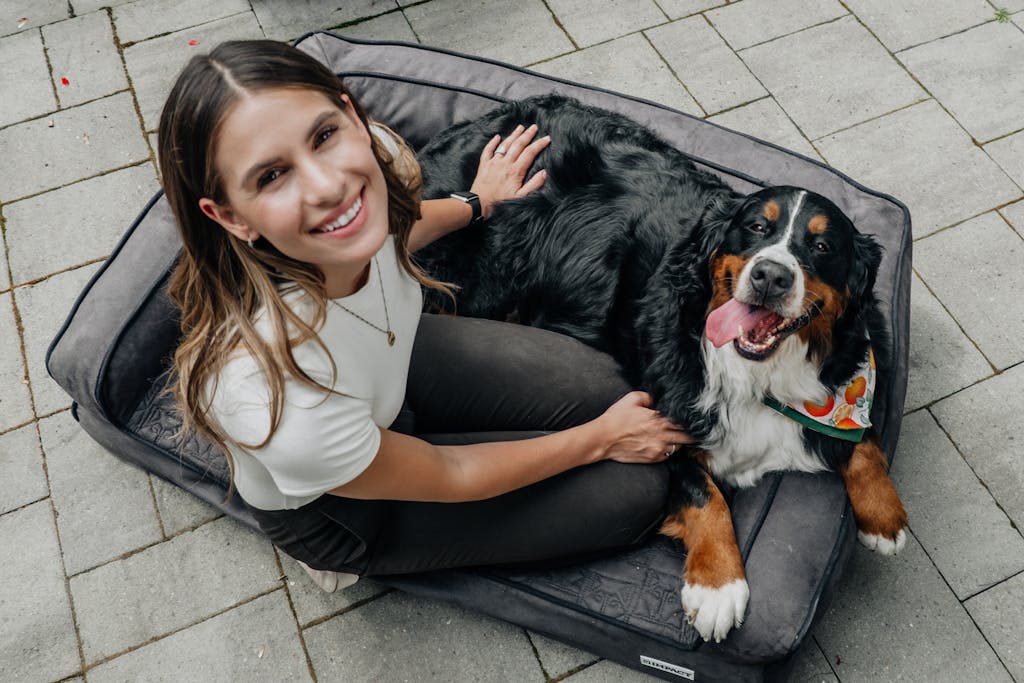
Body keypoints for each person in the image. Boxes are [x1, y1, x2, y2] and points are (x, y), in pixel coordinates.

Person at [158, 39, 690, 591]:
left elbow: (399, 227)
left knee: (604, 383)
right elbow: (451, 474)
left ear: (353, 115)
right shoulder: (275, 397)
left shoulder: (373, 166)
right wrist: (599, 440)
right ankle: (367, 558)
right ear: (230, 217)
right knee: (637, 494)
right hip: (346, 511)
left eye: (323, 135)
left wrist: (479, 200)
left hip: (392, 370)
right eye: (271, 176)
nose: (329, 187)